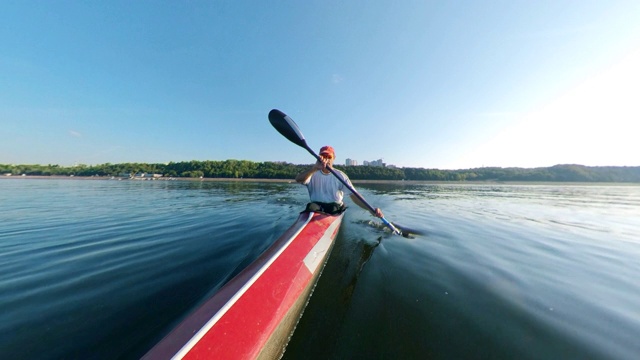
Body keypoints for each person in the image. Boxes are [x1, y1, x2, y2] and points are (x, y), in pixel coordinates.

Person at [295, 145, 384, 217]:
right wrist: (314, 168)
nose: (326, 160)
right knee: (310, 207)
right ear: (319, 158)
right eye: (323, 157)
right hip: (315, 207)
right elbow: (298, 179)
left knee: (333, 208)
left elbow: (354, 196)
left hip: (334, 207)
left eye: (329, 157)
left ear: (334, 158)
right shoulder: (312, 173)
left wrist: (371, 209)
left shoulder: (340, 176)